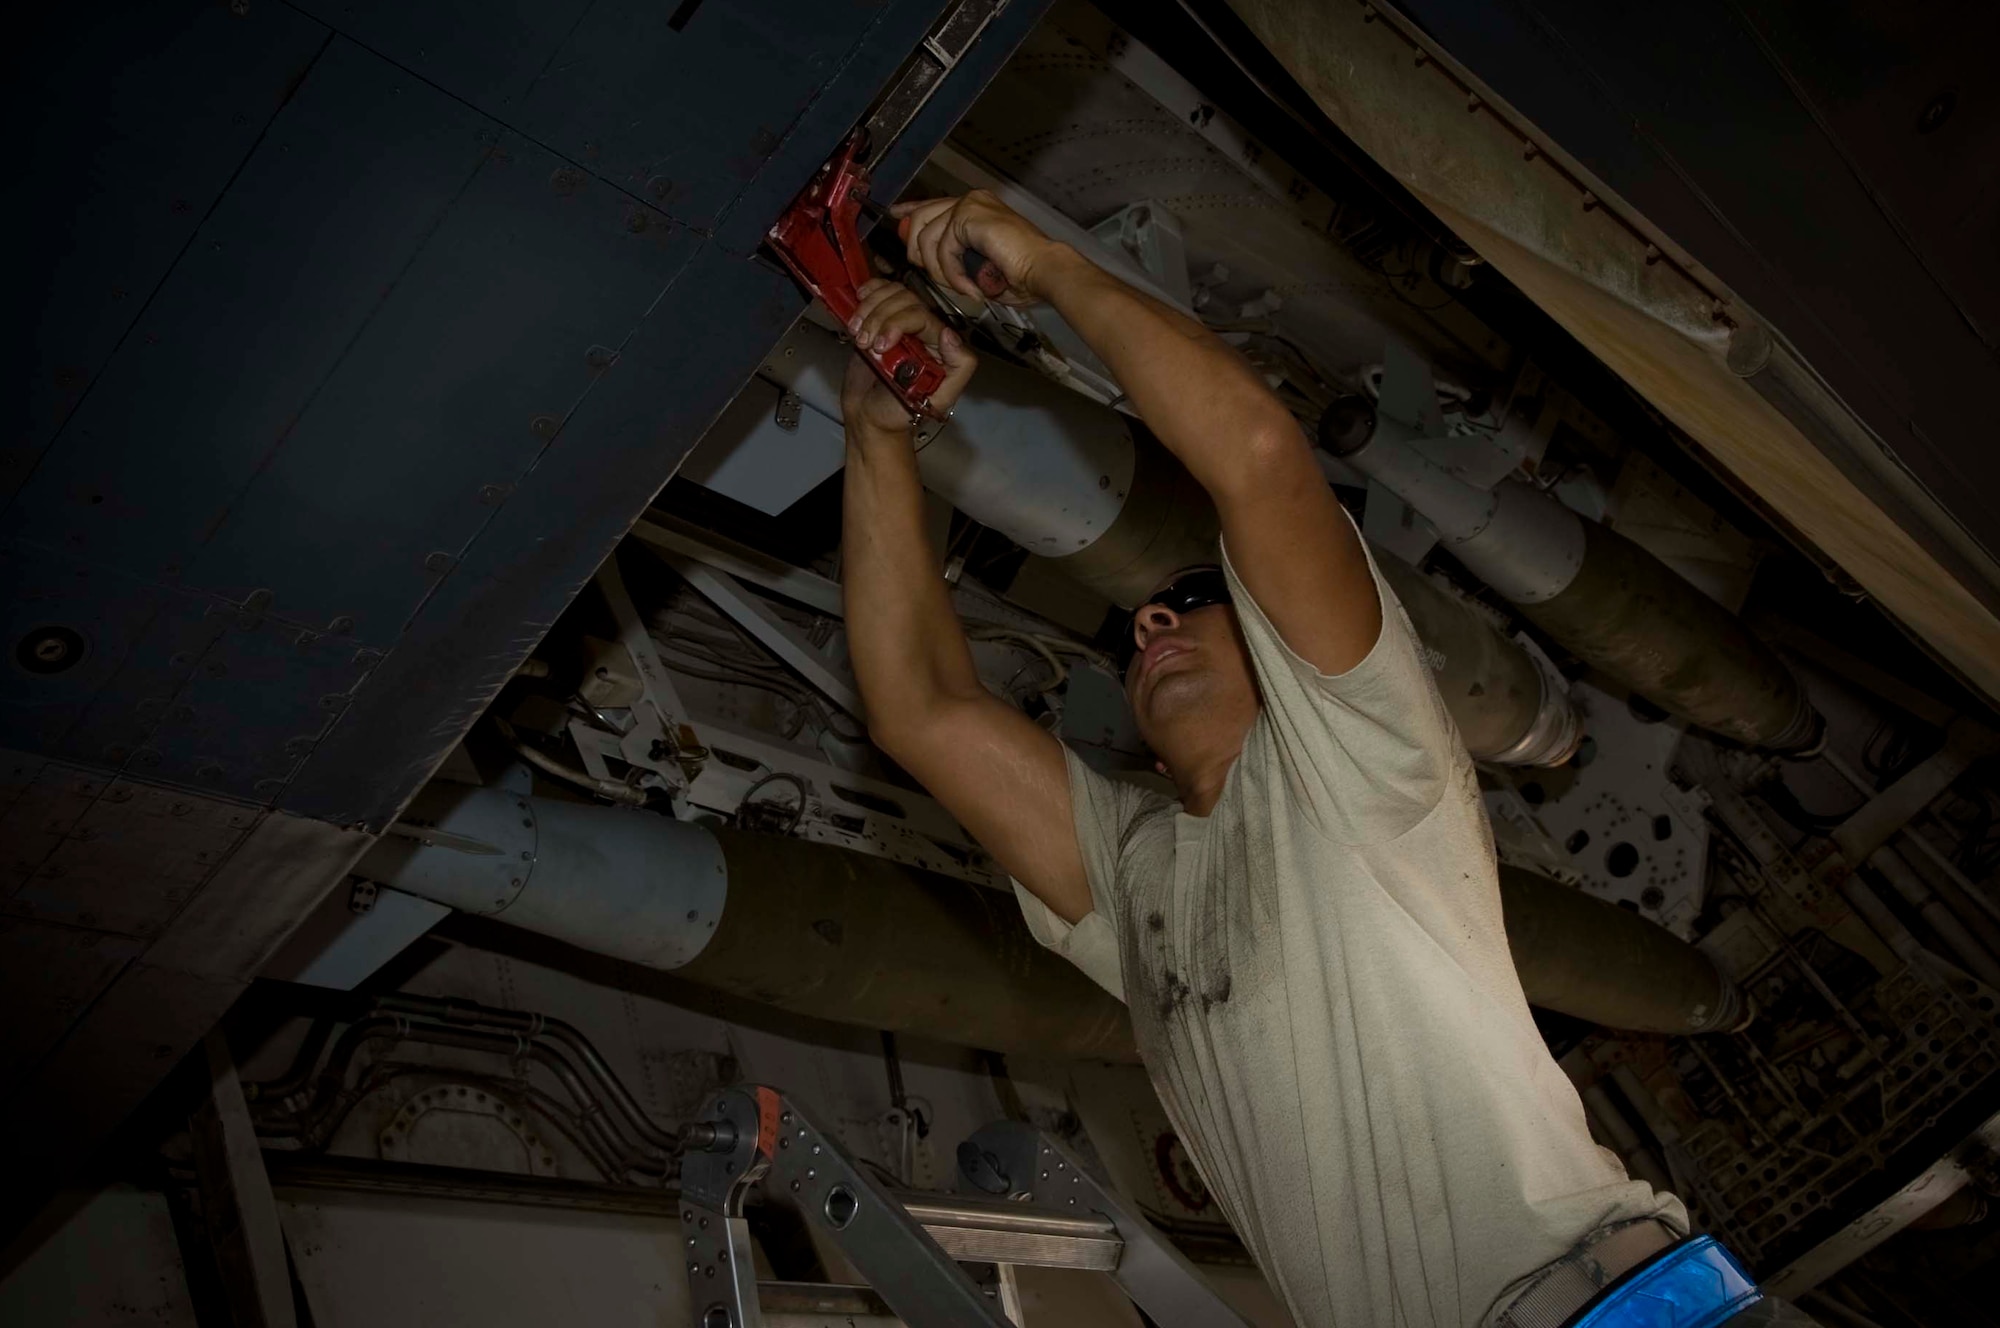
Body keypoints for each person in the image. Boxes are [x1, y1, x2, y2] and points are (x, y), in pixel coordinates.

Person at [837, 190, 1687, 1327]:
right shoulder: (1131, 882)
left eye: (1189, 598)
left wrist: (1041, 263)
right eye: (1131, 625)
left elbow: (1250, 453)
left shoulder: (1363, 755)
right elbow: (921, 707)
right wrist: (877, 432)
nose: (1146, 624)